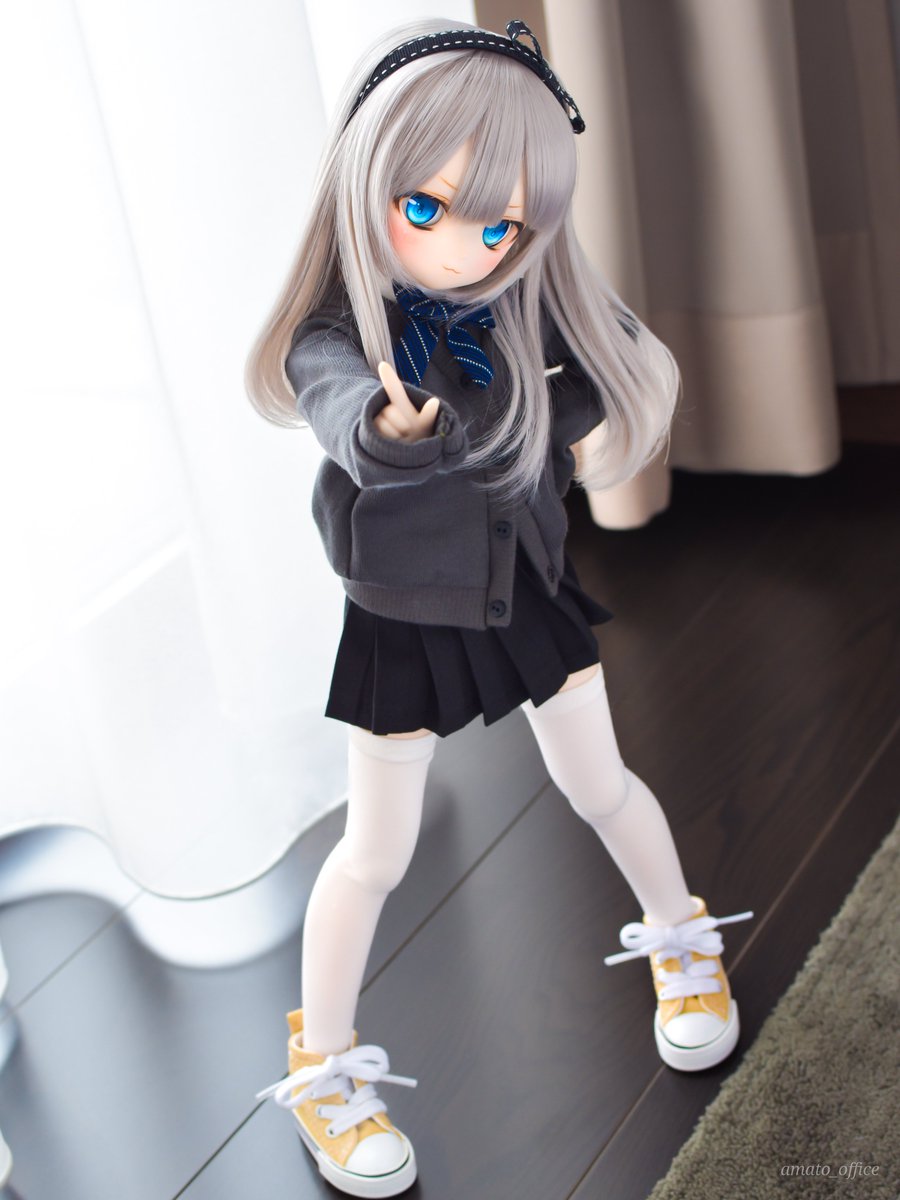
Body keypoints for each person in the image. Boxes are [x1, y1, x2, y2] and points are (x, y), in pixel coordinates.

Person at [247, 18, 753, 1198]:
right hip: (401, 615)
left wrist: (542, 420)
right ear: (367, 179)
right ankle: (323, 1067)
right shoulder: (343, 335)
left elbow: (605, 364)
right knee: (375, 849)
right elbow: (341, 413)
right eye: (424, 208)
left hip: (525, 584)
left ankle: (680, 938)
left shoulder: (519, 308)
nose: (463, 250)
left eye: (499, 228)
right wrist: (394, 432)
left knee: (601, 782)